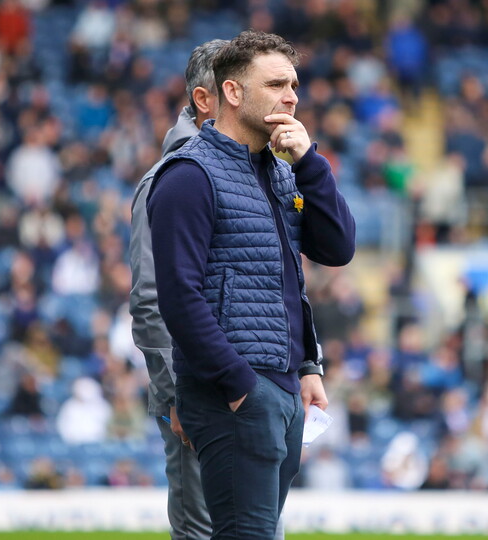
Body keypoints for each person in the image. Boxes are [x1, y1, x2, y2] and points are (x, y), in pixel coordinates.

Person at [147, 30, 356, 539]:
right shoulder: (189, 175)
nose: (292, 97)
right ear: (233, 93)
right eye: (277, 84)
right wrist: (240, 385)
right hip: (236, 391)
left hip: (282, 390)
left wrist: (310, 165)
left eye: (295, 85)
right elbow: (178, 297)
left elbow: (336, 249)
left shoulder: (283, 172)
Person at [129, 39, 225, 540]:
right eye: (239, 89)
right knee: (201, 531)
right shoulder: (165, 182)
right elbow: (150, 300)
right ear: (205, 99)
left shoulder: (250, 173)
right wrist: (176, 394)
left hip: (246, 392)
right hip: (197, 393)